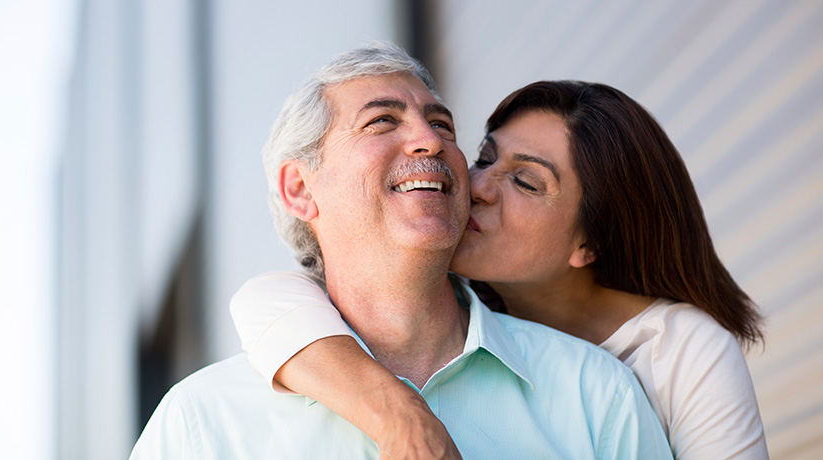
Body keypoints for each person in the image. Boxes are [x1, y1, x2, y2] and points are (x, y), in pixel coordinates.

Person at [131, 43, 672, 459]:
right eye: (382, 121)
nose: (431, 140)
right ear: (299, 188)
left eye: (442, 124)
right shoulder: (202, 422)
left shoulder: (596, 396)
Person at [230, 80, 769, 459]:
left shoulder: (680, 353)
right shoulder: (455, 309)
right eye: (486, 158)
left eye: (527, 183)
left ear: (590, 243)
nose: (479, 187)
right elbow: (266, 302)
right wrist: (399, 414)